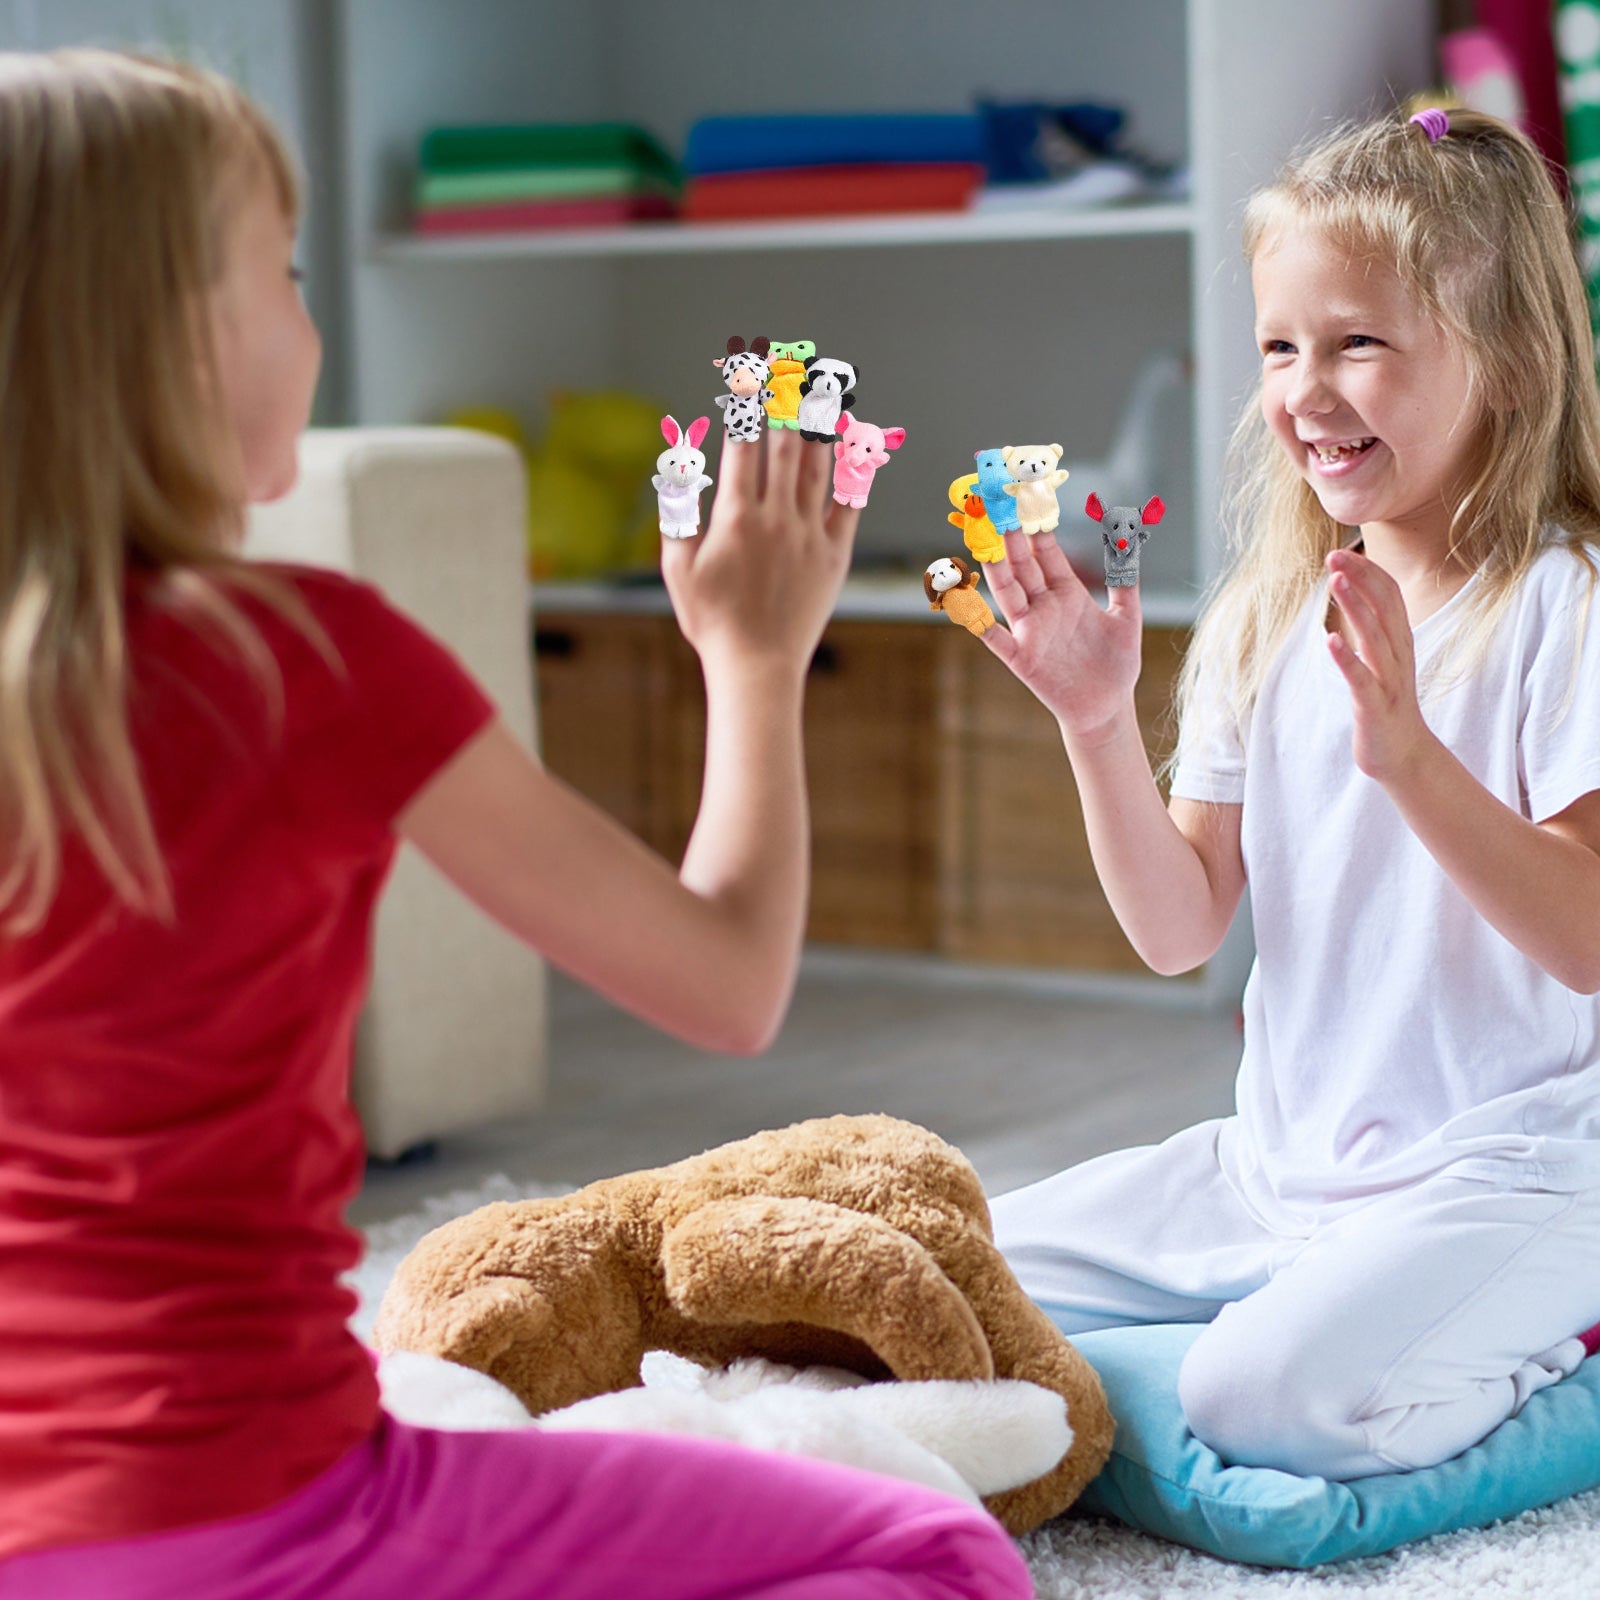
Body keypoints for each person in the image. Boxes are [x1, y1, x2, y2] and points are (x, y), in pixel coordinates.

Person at [0, 50, 1033, 1600]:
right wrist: (752, 661)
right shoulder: (316, 662)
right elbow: (726, 982)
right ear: (159, 338)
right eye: (279, 270)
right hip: (266, 1510)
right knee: (937, 1548)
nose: (311, 314)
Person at [983, 108, 1600, 1482]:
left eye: (1359, 344)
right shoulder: (1268, 616)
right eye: (1280, 346)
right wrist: (1092, 721)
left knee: (1258, 1400)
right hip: (1280, 1171)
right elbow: (1180, 929)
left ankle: (1558, 1357)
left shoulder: (1565, 604)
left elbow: (1587, 938)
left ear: (1502, 362)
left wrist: (1413, 759)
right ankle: (1329, 1313)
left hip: (1524, 1172)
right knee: (955, 1272)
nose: (1306, 391)